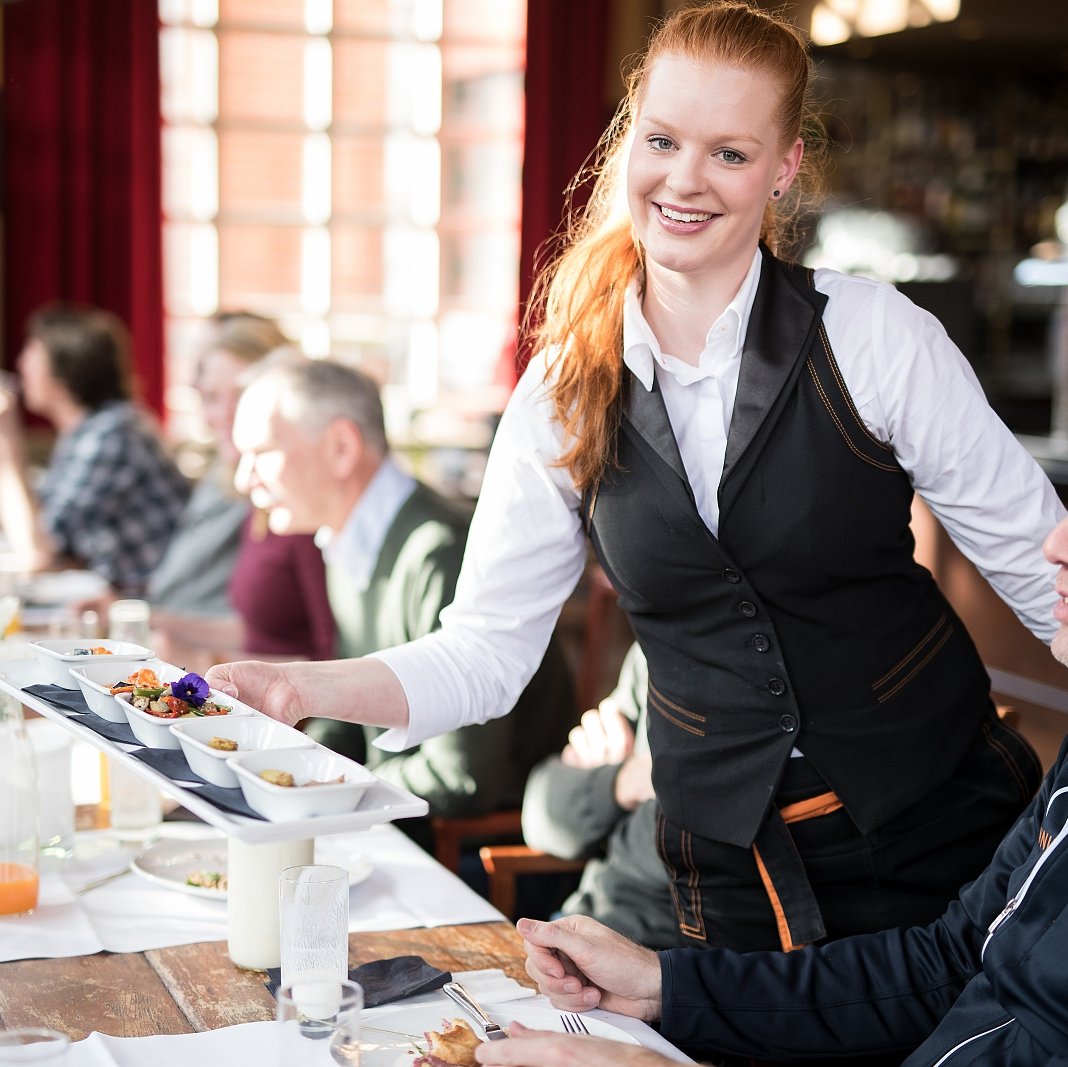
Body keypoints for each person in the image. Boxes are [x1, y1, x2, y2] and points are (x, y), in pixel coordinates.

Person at [208, 1, 1064, 954]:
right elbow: (485, 650)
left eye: (730, 154)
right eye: (662, 140)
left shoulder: (875, 337)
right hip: (728, 870)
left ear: (783, 169)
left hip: (938, 838)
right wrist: (297, 688)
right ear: (631, 143)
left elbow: (1045, 574)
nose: (684, 180)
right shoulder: (565, 384)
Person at [469, 520, 1068, 1067]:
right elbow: (944, 962)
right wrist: (659, 984)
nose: (1054, 545)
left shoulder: (817, 711)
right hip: (616, 966)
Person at [229, 356, 576, 848]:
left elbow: (464, 775)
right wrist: (279, 775)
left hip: (479, 855)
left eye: (261, 453)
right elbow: (348, 725)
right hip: (399, 824)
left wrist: (327, 789)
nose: (245, 480)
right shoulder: (344, 539)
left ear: (342, 448)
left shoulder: (440, 551)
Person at [1, 302, 189, 593]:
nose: (21, 364)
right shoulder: (87, 431)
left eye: (32, 354)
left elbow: (39, 553)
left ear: (63, 371)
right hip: (118, 596)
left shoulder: (113, 433)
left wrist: (7, 446)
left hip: (148, 607)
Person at [522, 642, 680, 949]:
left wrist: (645, 781)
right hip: (575, 928)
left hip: (660, 957)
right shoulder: (654, 650)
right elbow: (540, 815)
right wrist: (624, 781)